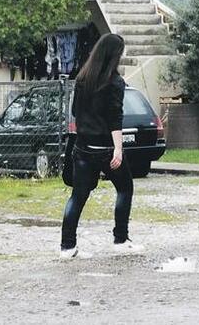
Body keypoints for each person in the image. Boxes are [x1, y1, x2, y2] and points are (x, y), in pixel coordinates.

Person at [60, 33, 142, 259]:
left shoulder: (82, 78)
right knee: (125, 188)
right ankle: (120, 239)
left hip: (83, 147)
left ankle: (67, 247)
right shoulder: (115, 82)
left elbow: (76, 112)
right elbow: (115, 117)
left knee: (78, 196)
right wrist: (118, 149)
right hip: (106, 148)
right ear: (114, 55)